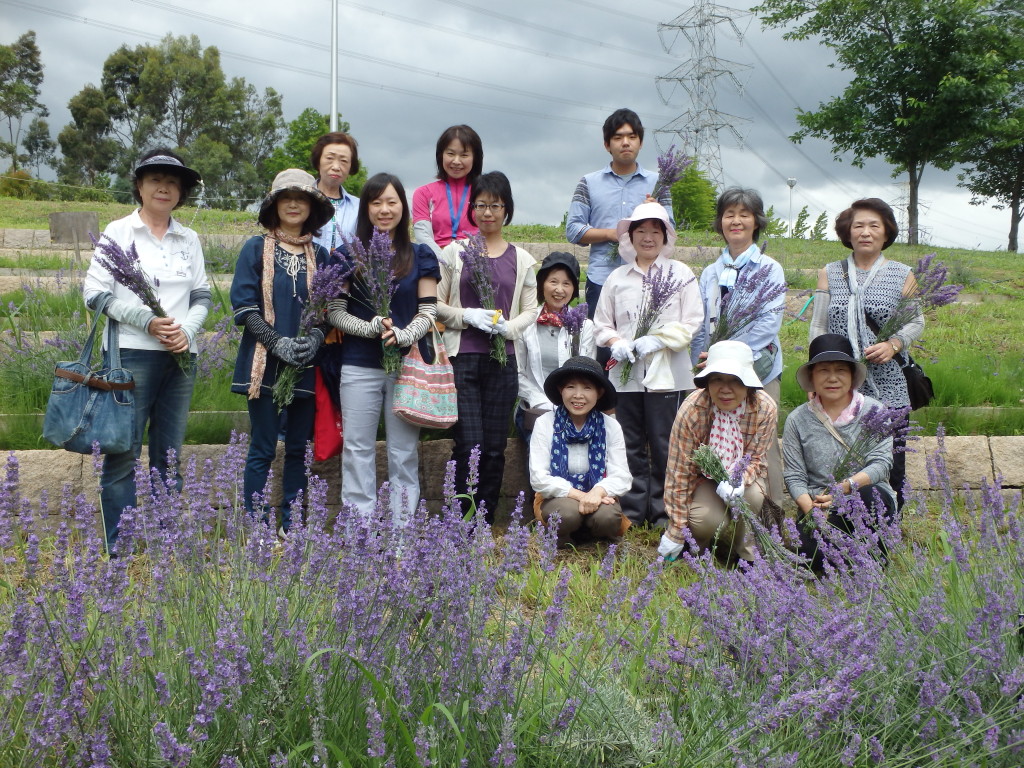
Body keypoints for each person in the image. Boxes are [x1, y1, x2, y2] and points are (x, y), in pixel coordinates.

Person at [83, 148, 210, 554]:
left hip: (179, 359)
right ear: (139, 186)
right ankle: (119, 546)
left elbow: (202, 295)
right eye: (155, 179)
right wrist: (148, 321)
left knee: (169, 452)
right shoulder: (118, 232)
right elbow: (94, 294)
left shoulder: (188, 238)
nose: (164, 188)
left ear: (181, 192)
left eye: (173, 182)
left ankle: (165, 541)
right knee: (122, 450)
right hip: (129, 357)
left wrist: (186, 332)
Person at [326, 173, 440, 524]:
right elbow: (334, 311)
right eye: (376, 202)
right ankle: (359, 531)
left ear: (403, 207)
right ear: (366, 209)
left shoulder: (419, 254)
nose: (384, 209)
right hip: (359, 364)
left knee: (403, 452)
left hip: (407, 367)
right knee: (357, 449)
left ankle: (401, 535)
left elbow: (429, 311)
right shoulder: (347, 255)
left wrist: (405, 336)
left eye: (392, 201)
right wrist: (370, 328)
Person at [230, 169, 334, 538]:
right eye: (285, 198)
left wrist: (315, 338)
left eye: (302, 198)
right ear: (274, 206)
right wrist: (278, 343)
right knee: (262, 446)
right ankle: (257, 527)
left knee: (296, 449)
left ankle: (292, 525)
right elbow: (243, 308)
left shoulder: (321, 255)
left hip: (306, 365)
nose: (293, 204)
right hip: (264, 366)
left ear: (311, 208)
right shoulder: (255, 248)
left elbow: (328, 312)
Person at [594, 201, 703, 528]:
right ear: (630, 236)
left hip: (667, 374)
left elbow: (692, 322)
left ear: (665, 235)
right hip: (625, 377)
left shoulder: (680, 274)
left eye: (655, 231)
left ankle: (662, 511)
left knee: (664, 443)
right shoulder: (617, 277)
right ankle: (632, 509)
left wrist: (658, 340)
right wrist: (618, 343)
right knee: (628, 442)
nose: (648, 237)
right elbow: (601, 323)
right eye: (640, 231)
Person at [437, 171, 538, 521]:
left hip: (504, 361)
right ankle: (459, 518)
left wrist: (507, 328)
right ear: (472, 208)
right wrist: (469, 316)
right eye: (481, 205)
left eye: (495, 205)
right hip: (462, 359)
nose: (488, 212)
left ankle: (484, 519)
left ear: (506, 208)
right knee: (470, 443)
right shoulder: (455, 252)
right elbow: (435, 305)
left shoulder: (521, 259)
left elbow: (531, 310)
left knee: (494, 448)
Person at [809, 197, 921, 504]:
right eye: (858, 225)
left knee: (893, 459)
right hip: (840, 385)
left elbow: (916, 321)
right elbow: (818, 327)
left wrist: (893, 344)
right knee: (844, 456)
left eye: (875, 225)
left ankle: (892, 523)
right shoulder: (829, 272)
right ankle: (841, 520)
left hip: (888, 383)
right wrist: (816, 375)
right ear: (848, 232)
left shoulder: (902, 273)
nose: (866, 232)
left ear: (886, 233)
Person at [691, 187, 786, 509]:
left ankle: (771, 516)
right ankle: (722, 514)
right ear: (720, 222)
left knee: (764, 444)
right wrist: (701, 364)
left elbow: (768, 324)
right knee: (717, 440)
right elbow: (701, 325)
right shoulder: (710, 273)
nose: (736, 221)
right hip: (715, 372)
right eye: (729, 214)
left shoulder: (769, 269)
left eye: (744, 214)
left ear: (756, 222)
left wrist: (728, 357)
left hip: (758, 369)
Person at [782, 334, 897, 570]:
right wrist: (812, 511)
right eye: (823, 370)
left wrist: (843, 489)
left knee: (869, 498)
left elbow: (881, 463)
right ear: (812, 378)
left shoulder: (875, 411)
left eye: (841, 370)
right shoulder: (797, 420)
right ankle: (847, 556)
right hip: (820, 507)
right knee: (807, 556)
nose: (832, 378)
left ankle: (869, 560)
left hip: (862, 497)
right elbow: (794, 476)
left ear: (853, 376)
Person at [659, 341, 778, 564]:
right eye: (717, 379)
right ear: (707, 382)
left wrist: (739, 480)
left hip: (743, 478)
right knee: (705, 520)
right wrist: (675, 530)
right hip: (704, 478)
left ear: (748, 384)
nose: (725, 389)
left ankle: (746, 555)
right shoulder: (693, 410)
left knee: (753, 497)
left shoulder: (765, 408)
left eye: (735, 380)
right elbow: (679, 471)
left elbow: (757, 458)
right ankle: (695, 548)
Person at [565, 109, 673, 328]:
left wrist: (656, 215)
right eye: (618, 137)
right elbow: (573, 230)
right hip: (601, 279)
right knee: (601, 348)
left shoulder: (658, 183)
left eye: (632, 137)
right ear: (607, 144)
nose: (626, 143)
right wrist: (612, 234)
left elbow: (670, 231)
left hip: (647, 279)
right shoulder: (589, 182)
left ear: (640, 143)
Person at [529, 356, 631, 547]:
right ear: (561, 390)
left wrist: (598, 491)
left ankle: (596, 540)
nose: (578, 395)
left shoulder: (610, 426)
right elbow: (538, 478)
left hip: (598, 497)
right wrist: (581, 496)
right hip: (558, 498)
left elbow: (622, 476)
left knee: (608, 518)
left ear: (599, 393)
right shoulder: (545, 424)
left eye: (587, 388)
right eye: (570, 387)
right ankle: (562, 540)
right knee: (566, 515)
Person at [514, 251, 597, 445]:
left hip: (576, 410)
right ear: (542, 283)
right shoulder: (525, 323)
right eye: (553, 281)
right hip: (536, 410)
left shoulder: (585, 327)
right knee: (539, 469)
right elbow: (516, 372)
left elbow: (589, 374)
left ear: (574, 289)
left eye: (566, 283)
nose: (559, 289)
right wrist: (539, 400)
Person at [413, 125, 483, 258]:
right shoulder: (423, 193)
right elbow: (422, 236)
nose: (456, 161)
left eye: (464, 155)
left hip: (475, 262)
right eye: (450, 154)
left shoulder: (485, 193)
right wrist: (445, 262)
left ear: (475, 158)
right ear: (440, 155)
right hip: (435, 262)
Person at [310, 131, 361, 254]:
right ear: (318, 161)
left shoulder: (359, 207)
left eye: (344, 161)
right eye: (329, 158)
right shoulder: (301, 200)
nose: (336, 167)